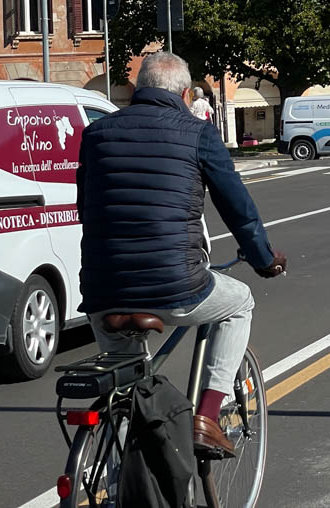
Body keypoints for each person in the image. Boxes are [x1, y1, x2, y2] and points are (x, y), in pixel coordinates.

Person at [77, 51, 287, 459]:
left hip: (103, 287)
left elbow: (87, 207)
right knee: (239, 303)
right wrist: (263, 259)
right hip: (174, 283)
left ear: (139, 91)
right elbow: (237, 207)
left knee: (128, 383)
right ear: (187, 94)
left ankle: (126, 471)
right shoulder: (197, 132)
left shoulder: (96, 134)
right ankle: (207, 418)